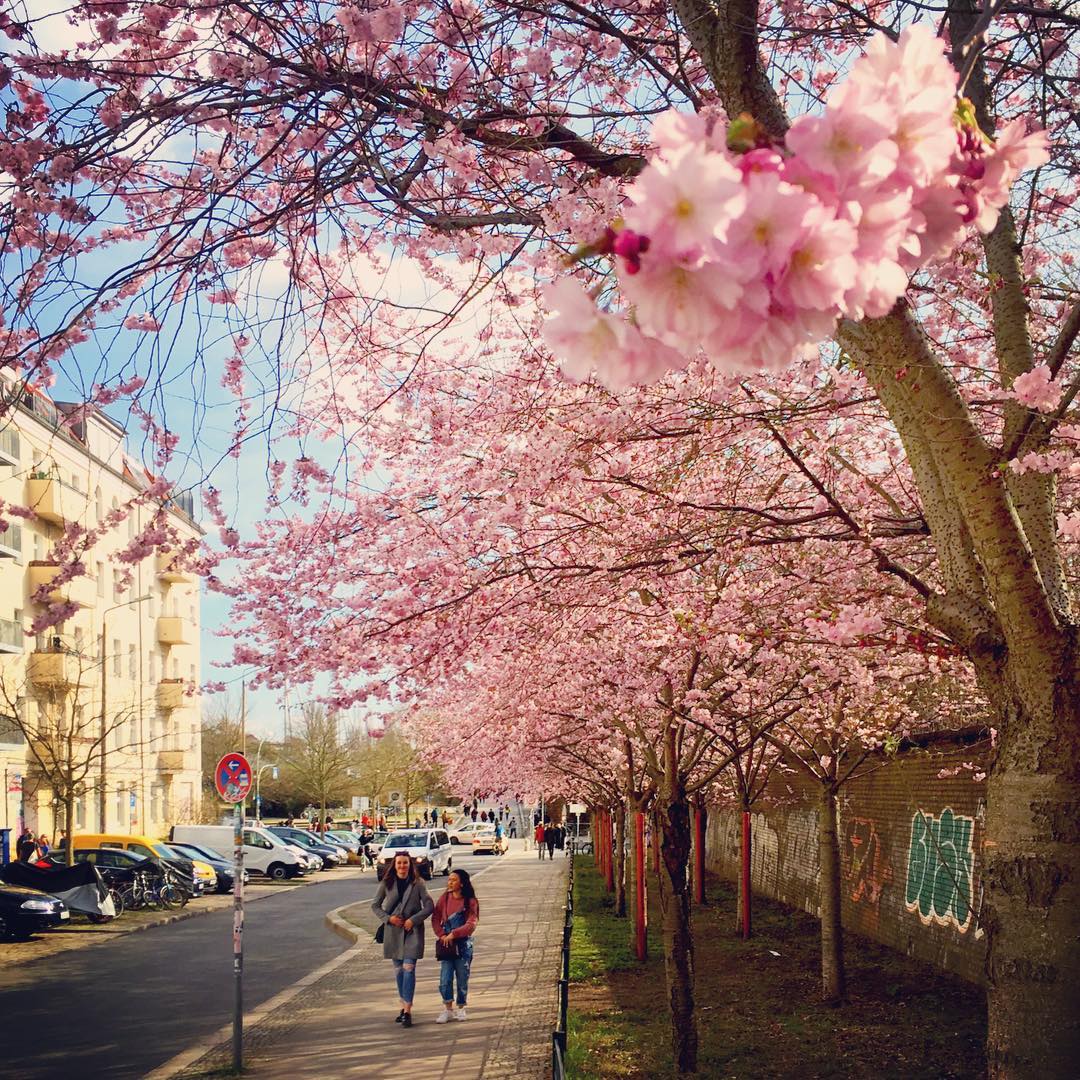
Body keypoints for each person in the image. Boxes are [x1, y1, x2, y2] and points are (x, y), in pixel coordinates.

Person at [371, 853, 434, 1027]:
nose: (402, 866)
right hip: (393, 932)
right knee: (399, 971)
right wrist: (388, 919)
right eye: (399, 863)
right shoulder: (386, 884)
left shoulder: (418, 883)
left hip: (412, 931)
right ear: (394, 865)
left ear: (410, 864)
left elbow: (429, 905)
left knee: (409, 968)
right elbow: (375, 905)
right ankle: (403, 1003)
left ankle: (407, 1010)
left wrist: (413, 920)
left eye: (405, 863)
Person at [433, 869, 479, 1023]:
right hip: (447, 945)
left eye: (453, 880)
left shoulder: (470, 902)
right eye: (449, 880)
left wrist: (455, 933)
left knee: (462, 977)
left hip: (463, 945)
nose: (450, 882)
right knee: (445, 979)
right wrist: (442, 935)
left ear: (462, 883)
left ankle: (461, 1007)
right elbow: (435, 918)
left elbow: (471, 924)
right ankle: (447, 1008)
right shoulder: (444, 898)